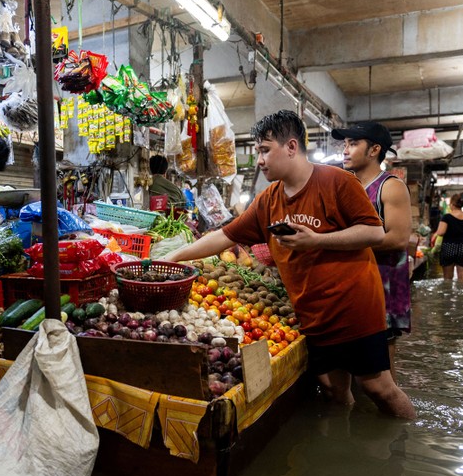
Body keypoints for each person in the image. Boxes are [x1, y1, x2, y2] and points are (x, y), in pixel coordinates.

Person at [165, 110, 416, 419]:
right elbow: (224, 236)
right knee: (337, 390)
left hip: (354, 307)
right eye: (258, 151)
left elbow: (374, 231)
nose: (259, 160)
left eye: (264, 150)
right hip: (312, 313)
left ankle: (403, 448)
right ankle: (348, 448)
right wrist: (174, 257)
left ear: (292, 147)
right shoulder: (267, 200)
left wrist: (317, 240)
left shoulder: (337, 182)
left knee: (380, 388)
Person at [333, 122, 412, 379]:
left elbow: (399, 239)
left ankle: (389, 417)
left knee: (382, 374)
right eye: (344, 144)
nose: (345, 150)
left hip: (382, 287)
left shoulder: (390, 187)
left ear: (374, 150)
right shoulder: (346, 186)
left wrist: (334, 242)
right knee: (354, 371)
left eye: (353, 144)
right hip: (352, 285)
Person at [432, 193, 463, 283]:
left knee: (447, 279)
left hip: (448, 248)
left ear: (452, 204)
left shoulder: (447, 217)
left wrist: (435, 235)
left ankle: (448, 296)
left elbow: (441, 232)